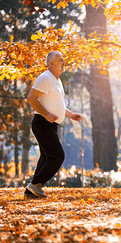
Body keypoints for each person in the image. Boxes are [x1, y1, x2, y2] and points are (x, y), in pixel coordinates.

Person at [24, 51, 83, 198]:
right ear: (51, 63)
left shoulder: (56, 80)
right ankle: (35, 185)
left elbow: (57, 105)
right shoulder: (45, 78)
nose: (63, 62)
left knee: (46, 157)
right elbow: (31, 98)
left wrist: (70, 115)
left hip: (50, 124)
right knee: (57, 156)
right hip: (42, 123)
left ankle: (31, 191)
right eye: (60, 60)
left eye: (63, 59)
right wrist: (46, 114)